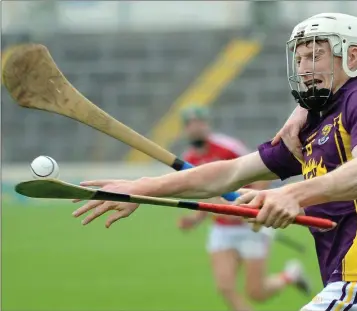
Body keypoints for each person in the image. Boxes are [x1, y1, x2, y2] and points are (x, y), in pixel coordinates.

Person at [72, 13, 357, 311]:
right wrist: (143, 188)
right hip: (341, 276)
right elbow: (230, 172)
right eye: (299, 60)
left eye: (315, 56)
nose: (304, 68)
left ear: (352, 55)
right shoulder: (312, 124)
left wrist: (291, 194)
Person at [177, 106, 310, 311]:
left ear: (207, 125)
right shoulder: (190, 159)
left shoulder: (228, 147)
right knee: (225, 287)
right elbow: (209, 196)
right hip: (221, 230)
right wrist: (195, 219)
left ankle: (290, 275)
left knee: (256, 293)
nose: (195, 129)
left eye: (199, 124)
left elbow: (262, 173)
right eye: (190, 125)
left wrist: (250, 207)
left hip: (250, 226)